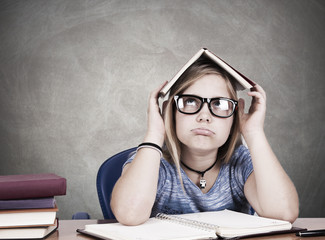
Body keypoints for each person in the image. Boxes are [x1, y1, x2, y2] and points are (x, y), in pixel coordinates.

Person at [111, 57, 299, 226]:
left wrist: (254, 132)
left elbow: (283, 213)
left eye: (219, 104)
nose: (204, 116)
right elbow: (129, 214)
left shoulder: (240, 163)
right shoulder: (151, 162)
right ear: (171, 111)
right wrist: (154, 133)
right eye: (191, 101)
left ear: (235, 114)